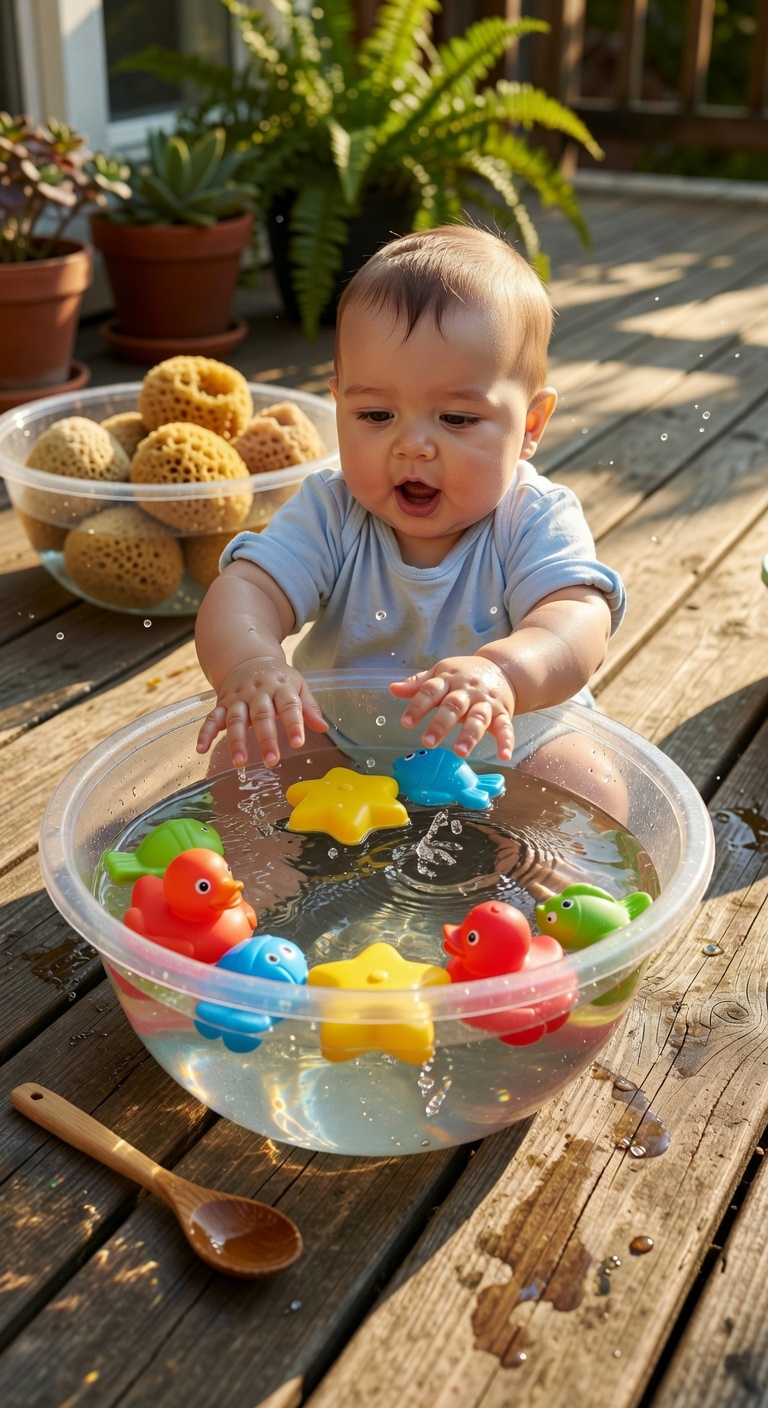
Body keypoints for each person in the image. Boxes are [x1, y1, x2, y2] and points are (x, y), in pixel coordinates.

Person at [195, 225, 626, 798]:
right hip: (344, 742)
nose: (412, 445)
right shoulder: (332, 510)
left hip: (506, 744)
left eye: (456, 419)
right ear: (339, 406)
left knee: (588, 779)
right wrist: (250, 662)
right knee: (242, 758)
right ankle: (262, 885)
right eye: (376, 416)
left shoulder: (532, 518)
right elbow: (247, 589)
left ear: (530, 427)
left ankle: (534, 886)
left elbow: (577, 621)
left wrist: (504, 673)